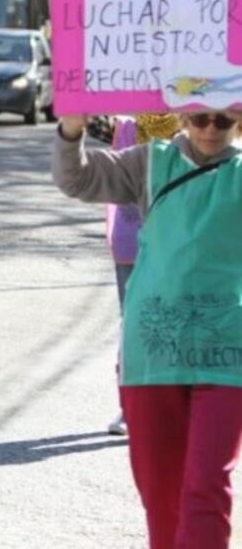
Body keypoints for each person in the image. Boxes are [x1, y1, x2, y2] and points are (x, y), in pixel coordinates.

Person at [53, 109, 242, 549]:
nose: (210, 129)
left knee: (206, 488)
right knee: (160, 495)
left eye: (222, 120)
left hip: (228, 351)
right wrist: (72, 129)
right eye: (199, 118)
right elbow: (77, 179)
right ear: (182, 115)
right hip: (153, 353)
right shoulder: (149, 162)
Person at [102, 113, 181, 436]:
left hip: (179, 244)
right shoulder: (126, 127)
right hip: (132, 242)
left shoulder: (198, 125)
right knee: (133, 323)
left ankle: (170, 404)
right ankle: (129, 406)